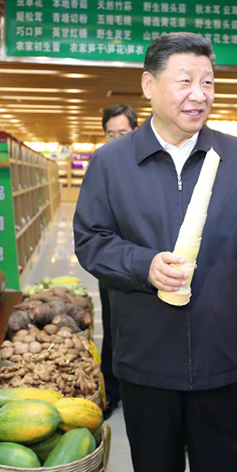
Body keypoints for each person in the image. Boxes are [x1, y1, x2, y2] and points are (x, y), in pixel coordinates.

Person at [74, 32, 237, 472]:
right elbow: (91, 241)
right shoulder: (111, 162)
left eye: (208, 82)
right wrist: (144, 265)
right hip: (148, 362)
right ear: (149, 85)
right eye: (185, 81)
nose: (199, 94)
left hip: (226, 361)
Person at [97, 102, 139, 419]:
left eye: (122, 133)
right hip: (113, 262)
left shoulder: (149, 163)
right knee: (112, 328)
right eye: (110, 134)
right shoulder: (102, 164)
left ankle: (140, 390)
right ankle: (111, 392)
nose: (116, 139)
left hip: (149, 263)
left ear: (135, 131)